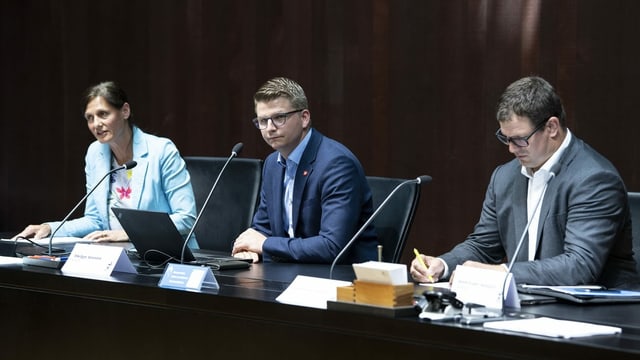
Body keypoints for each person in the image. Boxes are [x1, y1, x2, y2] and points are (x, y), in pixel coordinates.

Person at [411, 76, 639, 289]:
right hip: (528, 307)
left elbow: (579, 267)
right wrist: (443, 264)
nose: (511, 149)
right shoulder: (505, 177)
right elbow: (483, 245)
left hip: (597, 315)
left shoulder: (594, 179)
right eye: (506, 139)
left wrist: (501, 272)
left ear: (551, 127)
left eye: (520, 139)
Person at [16, 81, 198, 246]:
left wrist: (127, 234)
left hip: (166, 255)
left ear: (125, 111)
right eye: (90, 118)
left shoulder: (161, 150)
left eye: (103, 114)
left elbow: (186, 219)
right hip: (118, 251)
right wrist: (50, 228)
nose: (96, 124)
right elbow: (95, 220)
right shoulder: (95, 153)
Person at [232, 77, 377, 263]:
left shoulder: (336, 164)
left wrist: (265, 245)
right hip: (290, 272)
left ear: (304, 118)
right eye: (262, 121)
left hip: (341, 279)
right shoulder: (272, 163)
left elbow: (331, 246)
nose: (269, 128)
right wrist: (247, 248)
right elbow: (262, 229)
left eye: (279, 118)